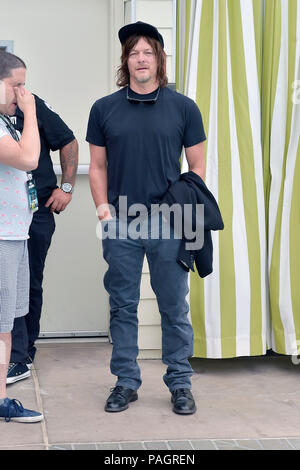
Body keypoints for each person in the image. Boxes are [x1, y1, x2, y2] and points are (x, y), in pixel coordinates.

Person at [87, 22, 206, 415]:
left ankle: (180, 383)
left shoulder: (184, 107)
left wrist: (186, 209)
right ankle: (125, 382)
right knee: (123, 305)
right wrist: (103, 210)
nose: (141, 58)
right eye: (134, 53)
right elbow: (98, 166)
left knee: (174, 306)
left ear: (159, 59)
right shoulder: (104, 108)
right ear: (126, 60)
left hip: (171, 221)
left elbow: (197, 165)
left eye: (148, 52)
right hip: (120, 222)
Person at [6, 92, 78, 384]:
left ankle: (21, 356)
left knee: (28, 282)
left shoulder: (30, 103)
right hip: (4, 211)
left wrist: (67, 187)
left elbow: (68, 141)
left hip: (36, 211)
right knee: (6, 285)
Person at [0, 50, 43, 422]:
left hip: (15, 236)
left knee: (7, 324)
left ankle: (0, 398)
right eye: (16, 85)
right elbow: (29, 159)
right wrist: (30, 113)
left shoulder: (6, 121)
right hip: (0, 239)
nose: (22, 93)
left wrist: (22, 115)